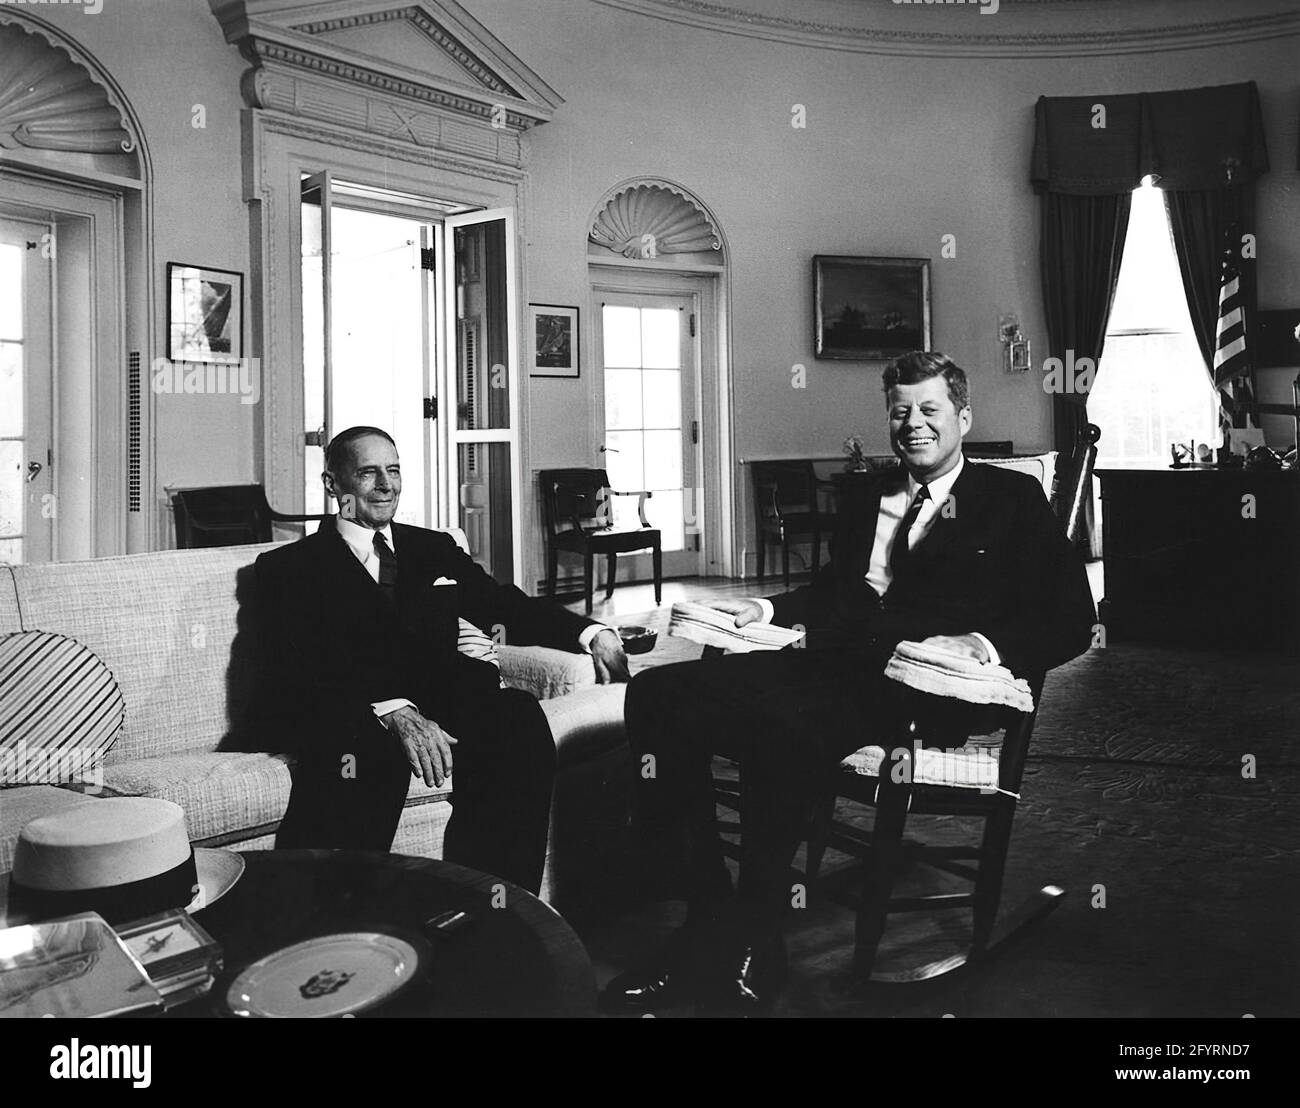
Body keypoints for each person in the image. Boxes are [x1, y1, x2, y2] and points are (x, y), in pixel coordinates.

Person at [605, 350, 1096, 1013]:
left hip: (927, 688)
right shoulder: (870, 494)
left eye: (929, 410)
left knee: (779, 724)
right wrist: (766, 609)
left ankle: (752, 936)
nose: (913, 424)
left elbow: (1069, 619)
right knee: (659, 694)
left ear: (963, 417)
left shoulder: (1011, 499)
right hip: (836, 667)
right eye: (901, 411)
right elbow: (836, 595)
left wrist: (979, 644)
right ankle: (711, 914)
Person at [249, 426, 629, 895]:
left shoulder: (432, 548)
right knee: (365, 751)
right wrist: (393, 710)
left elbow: (502, 605)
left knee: (515, 716)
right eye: (368, 473)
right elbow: (294, 669)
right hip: (349, 707)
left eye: (393, 470)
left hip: (439, 695)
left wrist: (590, 633)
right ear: (333, 485)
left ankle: (496, 904)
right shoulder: (288, 569)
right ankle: (345, 916)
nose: (386, 485)